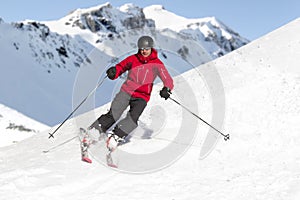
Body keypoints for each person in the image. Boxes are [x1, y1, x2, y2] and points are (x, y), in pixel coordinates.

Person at [89, 35, 174, 151]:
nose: (144, 51)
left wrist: (167, 89)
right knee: (114, 114)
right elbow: (121, 67)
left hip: (142, 97)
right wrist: (114, 72)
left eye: (147, 49)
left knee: (133, 118)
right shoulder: (133, 59)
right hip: (126, 91)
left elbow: (167, 79)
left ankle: (116, 136)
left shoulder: (157, 64)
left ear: (151, 48)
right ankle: (94, 131)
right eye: (142, 49)